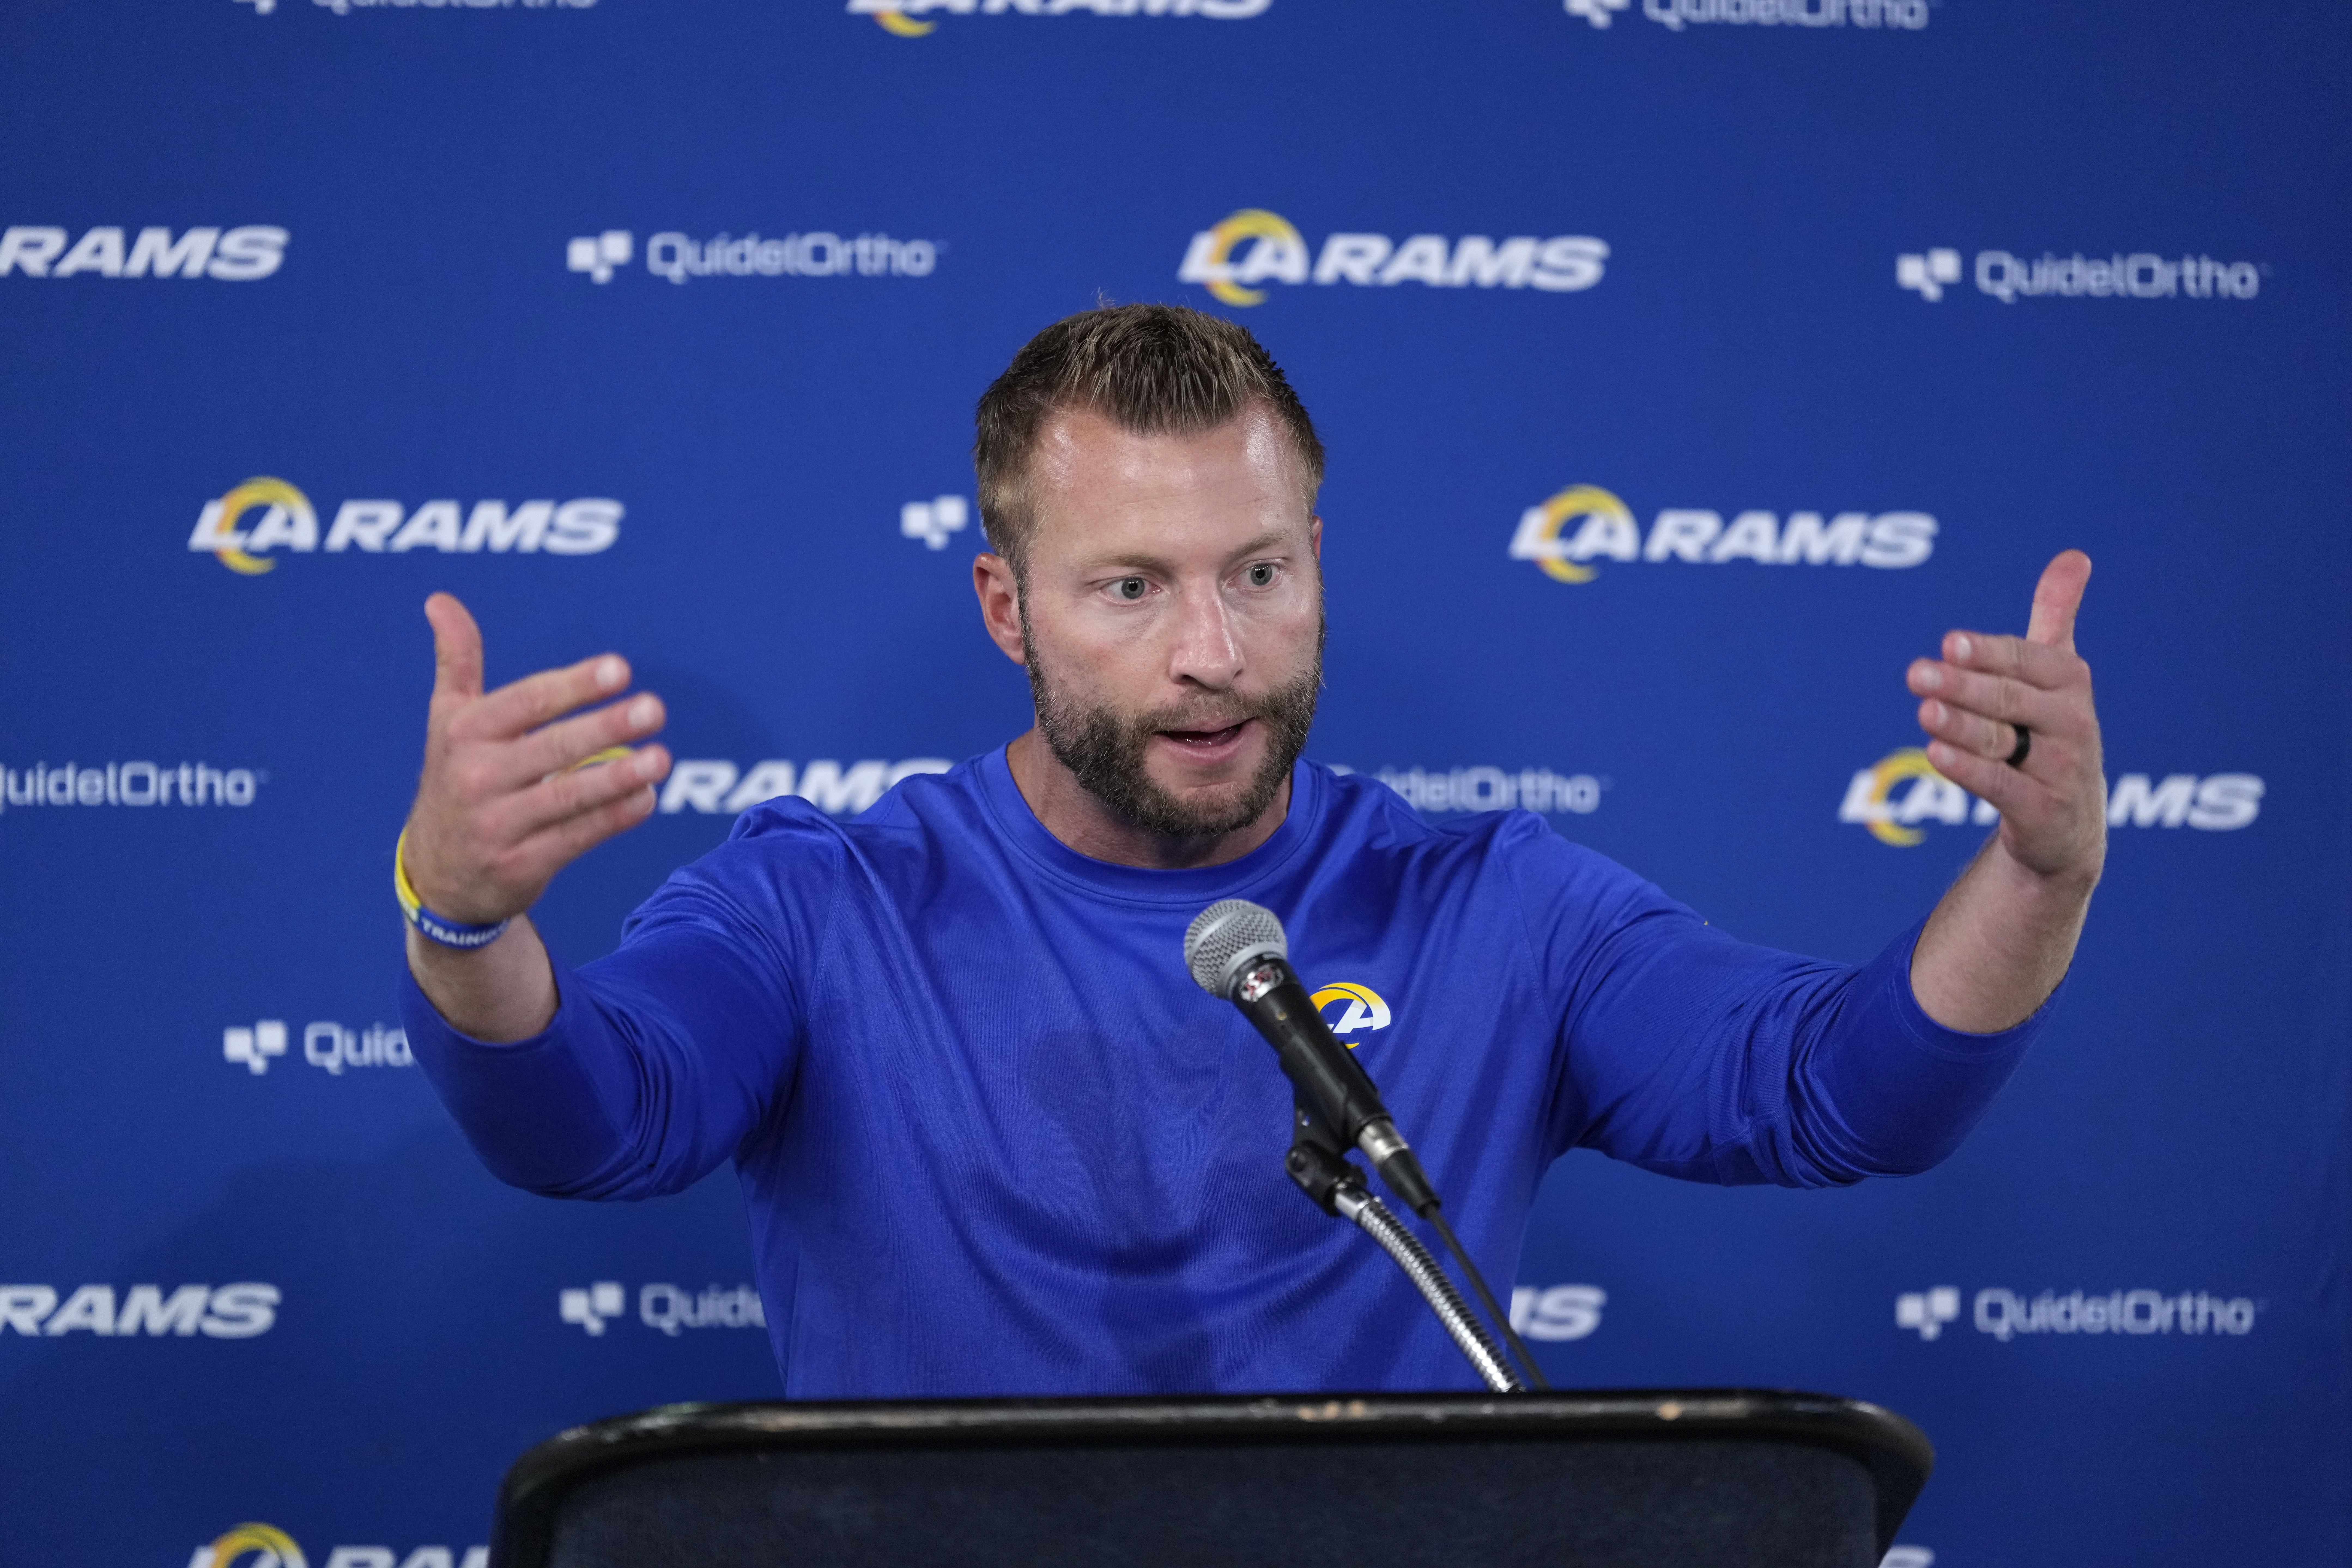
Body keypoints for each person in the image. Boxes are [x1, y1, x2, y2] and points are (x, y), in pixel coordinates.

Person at [396, 304, 2106, 1396]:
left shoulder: (1496, 908)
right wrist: (464, 926)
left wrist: (2036, 879)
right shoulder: (820, 903)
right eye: (1131, 588)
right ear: (1008, 610)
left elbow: (1845, 1096)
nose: (1213, 650)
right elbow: (592, 1126)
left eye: (1259, 573)